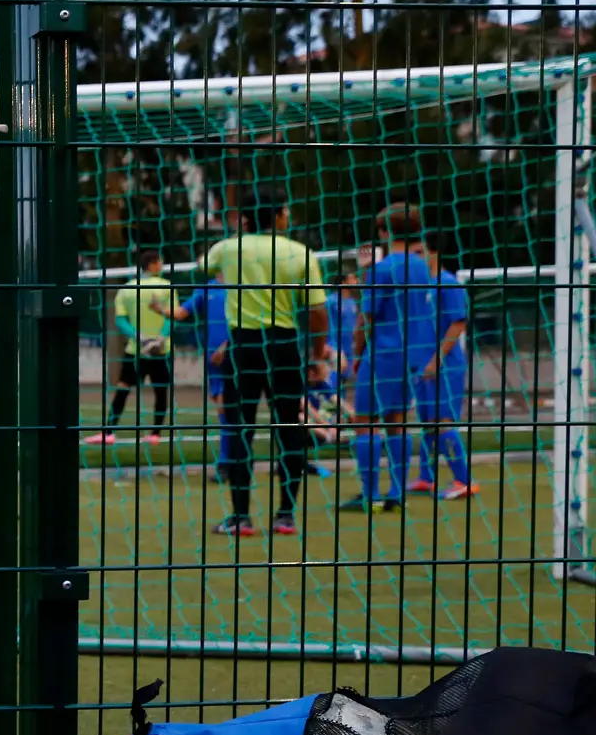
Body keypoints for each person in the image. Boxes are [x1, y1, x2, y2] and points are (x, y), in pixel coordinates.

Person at [203, 186, 331, 537]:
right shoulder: (300, 252)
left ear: (245, 218)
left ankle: (241, 518)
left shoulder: (227, 248)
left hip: (243, 346)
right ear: (277, 215)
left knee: (242, 429)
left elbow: (204, 269)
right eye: (286, 210)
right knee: (289, 429)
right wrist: (318, 356)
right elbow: (318, 312)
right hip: (284, 345)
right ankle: (285, 515)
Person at [343, 203, 438, 514]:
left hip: (383, 352)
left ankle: (370, 494)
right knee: (396, 420)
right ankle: (397, 490)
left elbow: (365, 320)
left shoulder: (381, 269)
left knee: (364, 422)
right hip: (412, 354)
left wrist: (357, 354)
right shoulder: (422, 266)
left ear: (384, 232)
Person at [407, 245, 476, 500]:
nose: (412, 257)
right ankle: (426, 478)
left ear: (434, 252)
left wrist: (437, 359)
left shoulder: (448, 283)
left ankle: (464, 480)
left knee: (443, 420)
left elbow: (458, 322)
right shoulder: (421, 286)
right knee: (427, 422)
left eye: (417, 252)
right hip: (422, 364)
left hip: (444, 364)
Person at [89, 249, 175, 445]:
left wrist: (139, 337)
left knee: (123, 389)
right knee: (160, 391)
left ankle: (108, 432)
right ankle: (155, 434)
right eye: (160, 261)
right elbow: (172, 315)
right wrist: (160, 338)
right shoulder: (168, 286)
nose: (162, 265)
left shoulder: (127, 288)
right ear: (152, 264)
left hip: (136, 349)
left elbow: (120, 320)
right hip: (161, 349)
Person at [153, 277, 232, 480]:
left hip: (237, 352)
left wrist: (228, 346)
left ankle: (229, 463)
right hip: (213, 357)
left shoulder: (241, 283)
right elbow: (181, 313)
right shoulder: (207, 287)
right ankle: (229, 462)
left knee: (233, 409)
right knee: (224, 410)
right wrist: (159, 308)